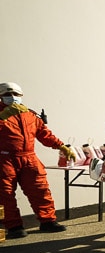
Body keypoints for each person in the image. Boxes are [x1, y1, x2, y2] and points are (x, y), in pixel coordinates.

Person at [0, 82, 73, 238]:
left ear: (21, 96)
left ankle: (47, 222)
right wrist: (3, 116)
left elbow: (44, 134)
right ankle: (13, 227)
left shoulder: (30, 114)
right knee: (4, 194)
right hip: (4, 158)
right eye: (7, 95)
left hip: (29, 157)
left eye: (16, 95)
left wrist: (61, 146)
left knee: (40, 190)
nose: (12, 98)